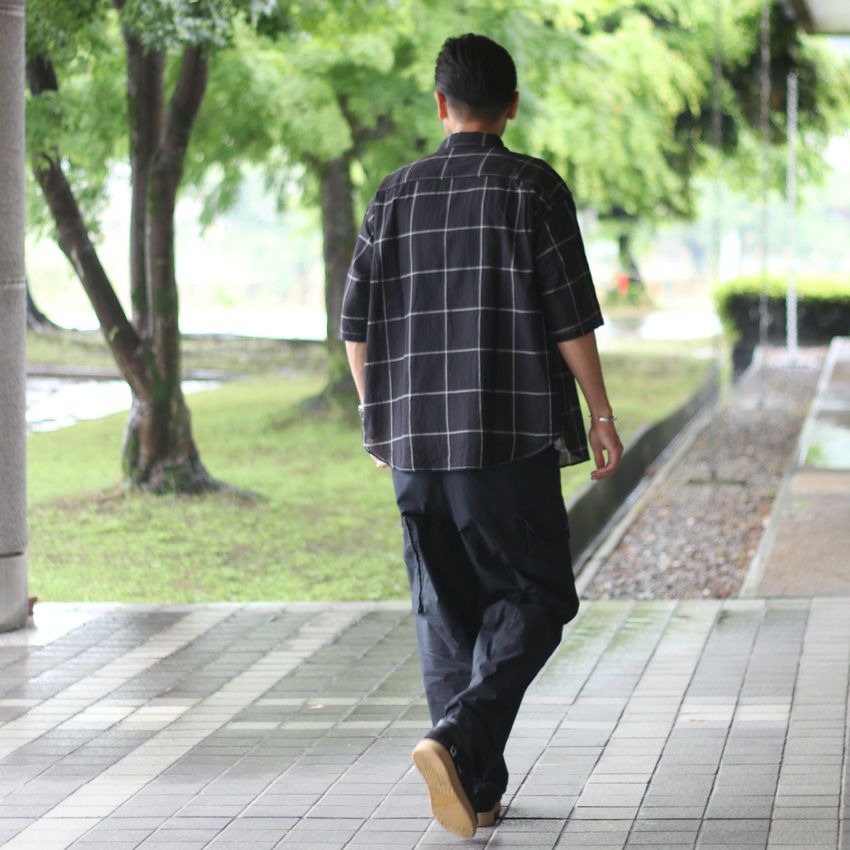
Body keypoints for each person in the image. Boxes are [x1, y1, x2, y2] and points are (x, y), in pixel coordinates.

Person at [340, 33, 622, 838]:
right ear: (511, 107)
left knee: (445, 610)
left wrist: (378, 417)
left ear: (440, 104)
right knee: (538, 594)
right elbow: (570, 317)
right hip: (506, 437)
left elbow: (355, 326)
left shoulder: (392, 194)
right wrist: (601, 413)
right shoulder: (533, 187)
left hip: (414, 442)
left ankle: (478, 791)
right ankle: (458, 741)